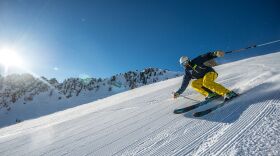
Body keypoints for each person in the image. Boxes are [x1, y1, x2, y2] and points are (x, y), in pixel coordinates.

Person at [173, 51, 238, 101]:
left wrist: (215, 53)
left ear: (188, 60)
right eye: (182, 64)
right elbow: (184, 84)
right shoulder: (187, 72)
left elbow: (206, 56)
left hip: (210, 73)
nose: (185, 65)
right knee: (194, 84)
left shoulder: (196, 61)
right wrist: (178, 92)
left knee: (206, 82)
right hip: (203, 78)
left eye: (185, 62)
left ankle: (228, 93)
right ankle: (210, 94)